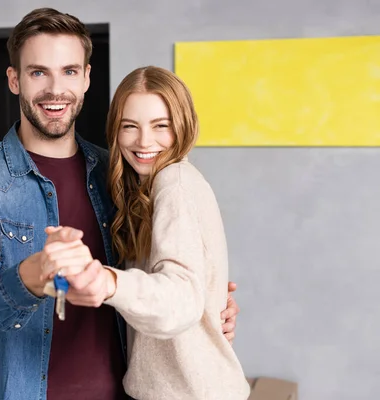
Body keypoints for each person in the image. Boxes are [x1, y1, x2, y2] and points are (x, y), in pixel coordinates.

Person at [0, 7, 240, 400]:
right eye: (37, 72)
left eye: (68, 71)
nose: (54, 89)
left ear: (85, 78)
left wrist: (204, 304)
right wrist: (32, 275)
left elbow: (158, 279)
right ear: (14, 80)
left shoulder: (117, 172)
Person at [41, 66, 251, 399]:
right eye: (129, 127)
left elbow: (180, 297)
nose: (143, 141)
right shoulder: (146, 189)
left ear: (182, 126)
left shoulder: (174, 184)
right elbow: (192, 291)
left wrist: (109, 282)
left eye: (160, 126)